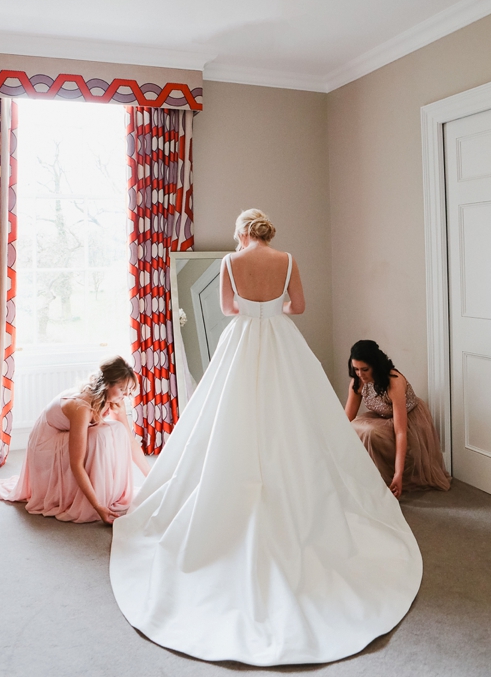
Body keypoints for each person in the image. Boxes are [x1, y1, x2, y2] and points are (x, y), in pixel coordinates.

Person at [109, 209, 421, 666]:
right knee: (294, 419)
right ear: (267, 231)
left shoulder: (232, 264)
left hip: (242, 341)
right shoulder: (289, 259)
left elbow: (227, 310)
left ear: (241, 233)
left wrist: (253, 306)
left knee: (230, 417)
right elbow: (298, 307)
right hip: (281, 340)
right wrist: (273, 307)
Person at [0, 356, 148, 524]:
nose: (126, 395)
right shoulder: (81, 407)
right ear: (106, 385)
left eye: (129, 390)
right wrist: (97, 506)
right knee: (99, 436)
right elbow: (76, 464)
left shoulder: (113, 400)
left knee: (118, 430)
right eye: (122, 388)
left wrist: (150, 476)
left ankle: (110, 491)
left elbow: (130, 442)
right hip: (45, 446)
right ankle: (94, 495)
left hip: (63, 435)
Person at [346, 339, 452, 496]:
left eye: (365, 369)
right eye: (356, 369)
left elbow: (400, 432)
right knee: (356, 427)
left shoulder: (393, 382)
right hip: (380, 417)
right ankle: (369, 477)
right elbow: (346, 419)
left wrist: (398, 474)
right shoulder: (358, 381)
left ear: (375, 365)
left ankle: (389, 478)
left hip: (408, 420)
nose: (360, 374)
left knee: (370, 432)